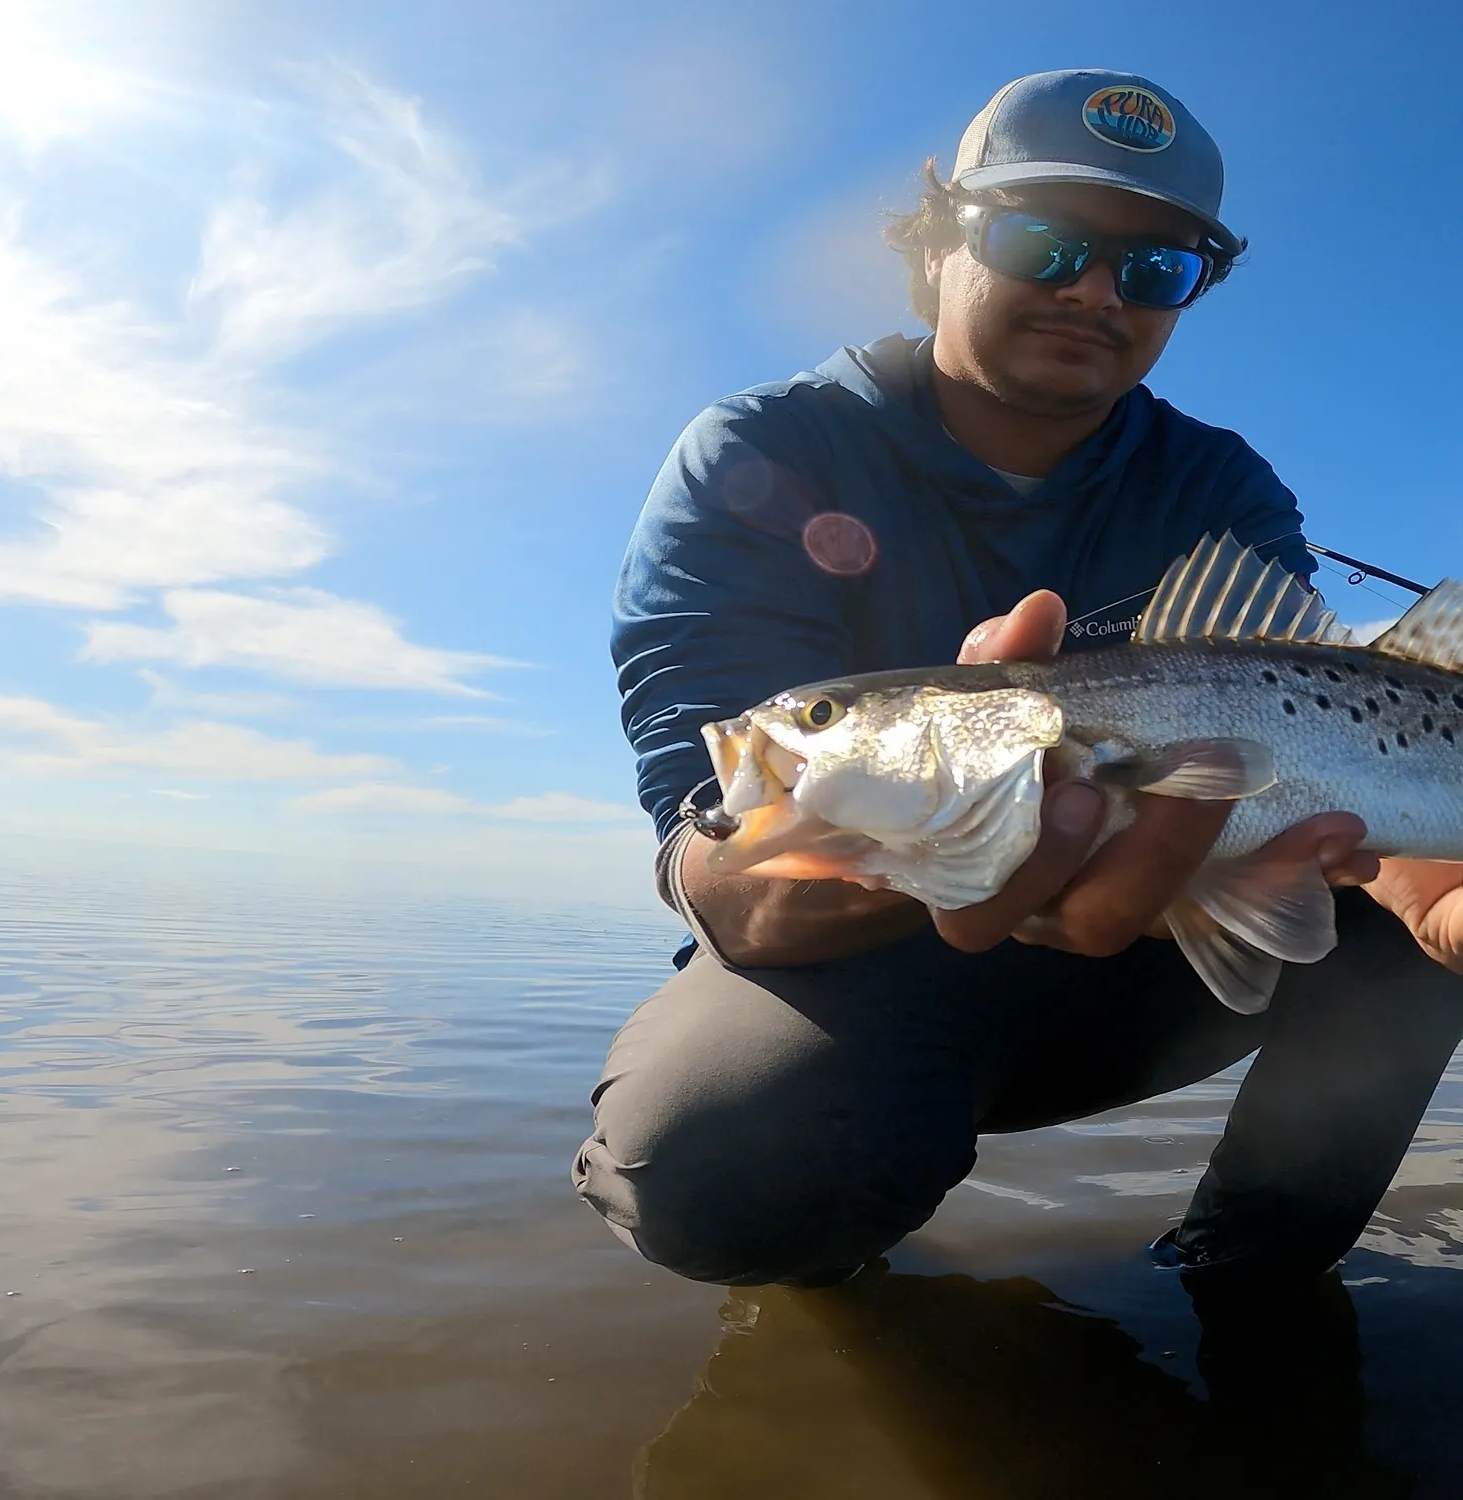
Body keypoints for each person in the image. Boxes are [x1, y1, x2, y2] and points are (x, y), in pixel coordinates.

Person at [573, 69, 1463, 1291]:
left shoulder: (1220, 485)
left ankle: (1249, 1285)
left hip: (1154, 945)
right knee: (716, 1158)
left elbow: (1320, 755)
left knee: (1410, 939)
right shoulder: (762, 451)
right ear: (937, 240)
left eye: (1154, 270)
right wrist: (935, 851)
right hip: (875, 971)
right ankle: (835, 1299)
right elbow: (718, 870)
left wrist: (1424, 894)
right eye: (1044, 240)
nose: (1095, 290)